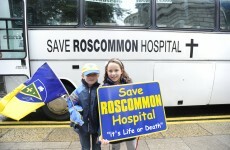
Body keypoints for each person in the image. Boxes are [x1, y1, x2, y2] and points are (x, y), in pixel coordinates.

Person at [101, 58, 136, 150]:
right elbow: (102, 112)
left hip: (129, 123)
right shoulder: (104, 88)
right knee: (115, 147)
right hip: (114, 125)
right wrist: (103, 131)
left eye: (116, 70)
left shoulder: (130, 85)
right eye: (110, 71)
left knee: (131, 146)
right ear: (106, 72)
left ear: (122, 71)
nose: (113, 74)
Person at [67, 63, 101, 150]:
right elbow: (71, 104)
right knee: (85, 147)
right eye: (88, 75)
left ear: (98, 76)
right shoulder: (78, 91)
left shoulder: (101, 90)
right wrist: (75, 111)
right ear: (82, 76)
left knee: (97, 147)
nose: (91, 77)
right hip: (82, 126)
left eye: (94, 74)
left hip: (97, 126)